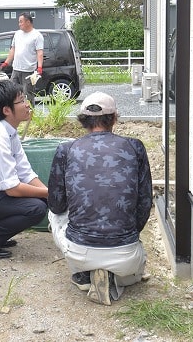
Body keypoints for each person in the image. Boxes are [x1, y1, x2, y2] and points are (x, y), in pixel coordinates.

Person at [47, 92, 153, 306]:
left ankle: (83, 275)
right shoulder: (135, 147)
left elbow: (56, 204)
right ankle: (119, 276)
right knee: (130, 268)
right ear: (114, 118)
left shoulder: (66, 150)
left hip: (79, 252)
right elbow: (145, 203)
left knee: (53, 214)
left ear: (82, 121)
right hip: (126, 254)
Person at [0, 80, 48, 259]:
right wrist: (48, 193)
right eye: (21, 101)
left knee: (41, 201)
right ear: (7, 110)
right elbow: (12, 188)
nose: (27, 104)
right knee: (35, 208)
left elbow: (26, 173)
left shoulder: (10, 133)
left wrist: (48, 194)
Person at [0, 12, 44, 106]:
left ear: (28, 22)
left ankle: (30, 118)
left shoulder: (37, 35)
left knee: (28, 95)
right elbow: (13, 50)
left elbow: (40, 52)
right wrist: (6, 63)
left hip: (29, 71)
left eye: (21, 22)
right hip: (16, 69)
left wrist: (39, 67)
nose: (19, 24)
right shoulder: (17, 34)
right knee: (11, 93)